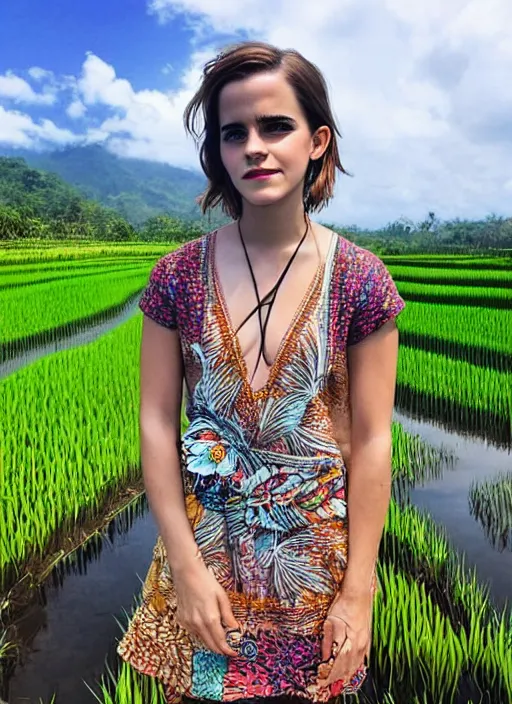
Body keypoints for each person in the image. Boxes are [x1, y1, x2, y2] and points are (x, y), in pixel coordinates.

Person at [117, 40, 406, 703]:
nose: (254, 146)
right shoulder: (177, 278)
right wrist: (186, 570)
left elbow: (372, 440)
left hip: (313, 571)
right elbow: (157, 421)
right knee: (203, 693)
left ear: (317, 141)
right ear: (217, 152)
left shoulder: (361, 281)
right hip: (205, 567)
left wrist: (359, 590)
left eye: (276, 125)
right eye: (233, 132)